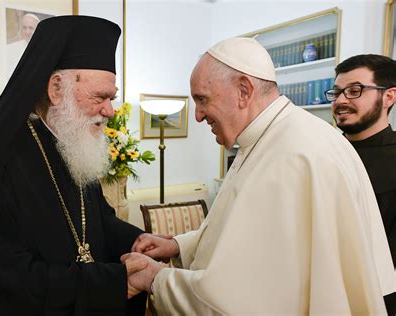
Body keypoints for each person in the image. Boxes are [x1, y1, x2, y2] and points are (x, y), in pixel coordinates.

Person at [121, 37, 395, 315]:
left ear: (243, 90)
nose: (199, 117)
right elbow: (234, 234)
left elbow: (237, 298)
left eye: (202, 100)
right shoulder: (269, 138)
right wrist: (177, 245)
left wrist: (156, 279)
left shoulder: (293, 154)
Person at [0, 16, 147, 315]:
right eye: (99, 97)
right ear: (55, 89)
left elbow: (97, 220)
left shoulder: (72, 144)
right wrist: (111, 283)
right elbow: (2, 282)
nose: (110, 110)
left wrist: (136, 240)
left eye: (112, 98)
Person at [327, 54, 396, 315]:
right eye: (336, 93)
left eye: (354, 91)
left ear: (389, 96)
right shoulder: (321, 151)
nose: (341, 100)